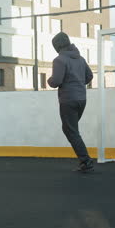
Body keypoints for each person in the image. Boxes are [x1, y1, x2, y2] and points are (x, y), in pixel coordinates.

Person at [47, 31, 94, 173]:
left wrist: (49, 80)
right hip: (81, 99)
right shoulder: (80, 59)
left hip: (68, 100)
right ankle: (84, 160)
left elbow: (56, 81)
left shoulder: (59, 60)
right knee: (72, 130)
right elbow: (89, 76)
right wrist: (79, 83)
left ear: (57, 46)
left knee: (70, 130)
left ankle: (86, 161)